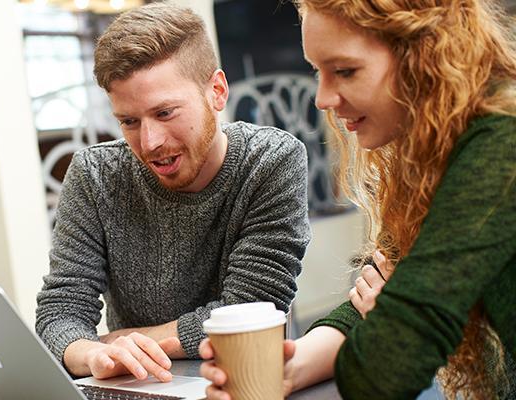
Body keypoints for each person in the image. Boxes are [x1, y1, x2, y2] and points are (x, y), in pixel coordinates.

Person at [199, 0, 516, 398]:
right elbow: (379, 286)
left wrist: (389, 316)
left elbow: (382, 371)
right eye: (318, 72)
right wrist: (286, 370)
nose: (322, 98)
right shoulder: (439, 154)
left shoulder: (500, 145)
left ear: (424, 53)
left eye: (344, 71)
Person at [35, 2, 311, 384]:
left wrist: (123, 340)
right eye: (129, 121)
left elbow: (251, 309)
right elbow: (60, 309)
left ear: (216, 91)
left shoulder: (271, 160)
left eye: (164, 113)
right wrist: (94, 353)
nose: (149, 143)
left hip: (246, 383)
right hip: (137, 388)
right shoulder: (94, 174)